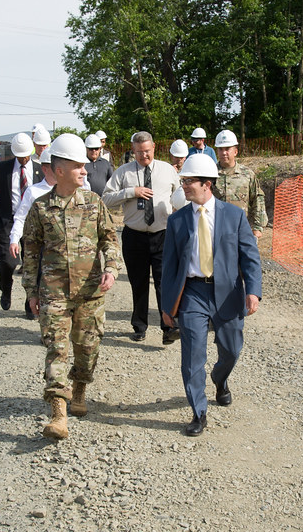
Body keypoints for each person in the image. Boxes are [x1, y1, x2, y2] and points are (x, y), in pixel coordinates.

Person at [23, 134, 122, 440]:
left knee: (87, 350)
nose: (85, 171)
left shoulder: (94, 203)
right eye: (79, 166)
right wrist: (30, 291)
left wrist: (111, 268)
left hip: (91, 292)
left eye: (85, 166)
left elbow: (110, 238)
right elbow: (30, 252)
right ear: (60, 170)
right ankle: (58, 414)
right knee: (56, 350)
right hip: (54, 293)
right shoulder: (40, 208)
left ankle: (79, 388)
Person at [161, 154, 262, 437]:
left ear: (207, 184)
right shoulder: (178, 220)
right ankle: (199, 412)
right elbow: (168, 267)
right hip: (193, 292)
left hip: (227, 292)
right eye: (183, 181)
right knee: (192, 354)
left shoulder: (234, 215)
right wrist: (167, 306)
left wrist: (253, 291)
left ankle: (220, 379)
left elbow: (250, 257)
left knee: (231, 349)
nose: (184, 186)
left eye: (189, 181)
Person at [102, 131, 181, 345]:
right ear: (133, 151)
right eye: (138, 153)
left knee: (164, 283)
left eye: (146, 151)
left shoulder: (167, 170)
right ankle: (139, 326)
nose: (143, 156)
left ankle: (168, 327)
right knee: (138, 283)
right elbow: (105, 199)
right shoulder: (123, 172)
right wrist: (130, 192)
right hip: (134, 236)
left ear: (154, 147)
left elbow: (182, 195)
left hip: (163, 235)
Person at [0, 132, 42, 317]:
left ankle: (29, 304)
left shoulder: (41, 170)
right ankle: (6, 288)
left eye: (25, 155)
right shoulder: (3, 168)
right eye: (19, 156)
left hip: (32, 224)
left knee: (32, 265)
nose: (23, 159)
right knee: (8, 262)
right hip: (7, 222)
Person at [213, 129, 268, 239]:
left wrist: (257, 227)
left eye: (227, 149)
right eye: (220, 149)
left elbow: (257, 198)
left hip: (240, 229)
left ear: (235, 151)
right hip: (214, 229)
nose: (224, 153)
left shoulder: (247, 174)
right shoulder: (210, 173)